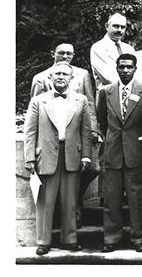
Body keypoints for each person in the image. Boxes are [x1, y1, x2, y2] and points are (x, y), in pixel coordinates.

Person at [23, 62, 95, 256]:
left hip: (72, 154)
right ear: (51, 78)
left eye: (65, 74)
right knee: (45, 200)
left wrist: (87, 155)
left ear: (71, 78)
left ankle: (69, 239)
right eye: (57, 74)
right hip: (46, 155)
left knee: (70, 200)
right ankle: (44, 241)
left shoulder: (81, 100)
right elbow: (30, 131)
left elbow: (86, 131)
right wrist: (29, 158)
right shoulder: (39, 101)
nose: (61, 77)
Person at [96, 53, 142, 252]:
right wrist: (111, 142)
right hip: (113, 152)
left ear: (135, 69)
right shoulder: (105, 91)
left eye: (129, 67)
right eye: (121, 67)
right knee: (111, 200)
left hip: (136, 153)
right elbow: (102, 122)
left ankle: (139, 238)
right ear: (116, 68)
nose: (125, 70)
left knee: (137, 199)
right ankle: (111, 239)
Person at [32, 40, 96, 103]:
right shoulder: (40, 78)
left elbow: (90, 103)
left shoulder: (83, 74)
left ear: (73, 55)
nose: (65, 57)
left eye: (69, 54)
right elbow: (37, 106)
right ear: (53, 54)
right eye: (61, 53)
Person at [89, 12, 134, 91]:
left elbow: (139, 73)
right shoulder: (98, 47)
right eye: (116, 26)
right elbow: (109, 77)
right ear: (107, 26)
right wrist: (132, 87)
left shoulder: (129, 49)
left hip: (132, 95)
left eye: (122, 27)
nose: (119, 30)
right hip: (109, 96)